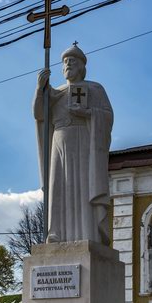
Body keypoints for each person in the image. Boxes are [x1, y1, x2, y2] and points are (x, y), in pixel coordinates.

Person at [33, 43, 113, 246]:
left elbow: (107, 116)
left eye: (73, 61)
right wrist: (39, 90)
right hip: (59, 140)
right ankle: (57, 233)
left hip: (83, 140)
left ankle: (87, 232)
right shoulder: (54, 92)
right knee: (59, 187)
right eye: (65, 62)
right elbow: (40, 116)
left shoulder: (95, 88)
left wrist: (87, 114)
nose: (68, 64)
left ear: (81, 67)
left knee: (83, 185)